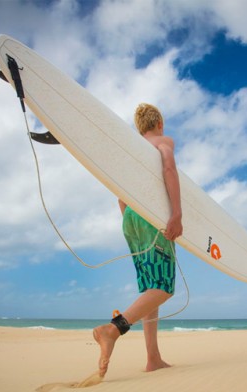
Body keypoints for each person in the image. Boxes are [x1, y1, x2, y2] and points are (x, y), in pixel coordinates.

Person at [93, 103, 183, 378]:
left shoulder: (133, 149)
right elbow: (169, 170)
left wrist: (131, 222)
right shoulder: (162, 141)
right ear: (159, 124)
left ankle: (153, 358)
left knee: (150, 291)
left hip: (130, 216)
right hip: (151, 217)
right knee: (164, 287)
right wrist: (176, 213)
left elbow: (120, 194)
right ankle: (114, 328)